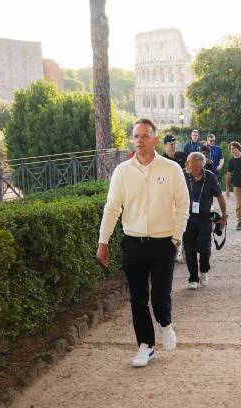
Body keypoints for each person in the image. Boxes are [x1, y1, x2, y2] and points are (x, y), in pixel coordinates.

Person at [97, 118, 190, 368]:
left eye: (145, 136)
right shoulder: (122, 172)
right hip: (133, 244)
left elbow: (183, 206)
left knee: (160, 296)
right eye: (136, 136)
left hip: (163, 244)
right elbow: (112, 208)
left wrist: (176, 238)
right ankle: (145, 346)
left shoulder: (171, 169)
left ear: (155, 140)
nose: (140, 140)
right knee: (138, 298)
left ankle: (165, 323)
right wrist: (102, 241)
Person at [183, 152, 228, 289]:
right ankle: (193, 278)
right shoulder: (183, 175)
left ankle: (203, 270)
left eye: (189, 163)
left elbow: (220, 197)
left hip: (204, 218)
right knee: (189, 249)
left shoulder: (210, 177)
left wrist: (224, 215)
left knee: (205, 248)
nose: (186, 165)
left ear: (198, 166)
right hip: (187, 218)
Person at [225, 141, 241, 230]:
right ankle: (239, 222)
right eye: (231, 149)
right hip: (237, 184)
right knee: (239, 204)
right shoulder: (231, 161)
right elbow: (228, 175)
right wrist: (227, 188)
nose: (232, 150)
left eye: (234, 148)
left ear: (238, 148)